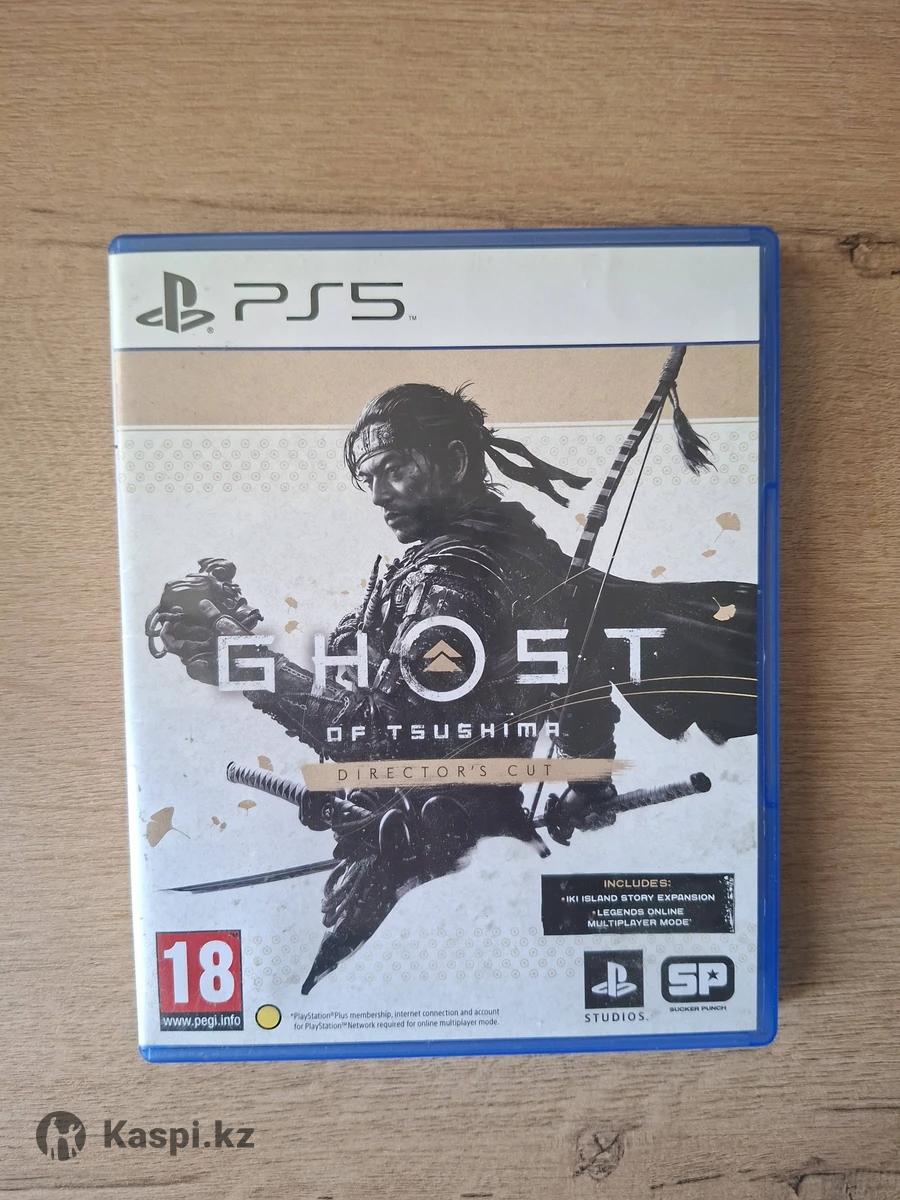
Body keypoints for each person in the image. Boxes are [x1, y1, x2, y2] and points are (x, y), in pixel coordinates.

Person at [155, 383, 624, 989]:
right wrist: (590, 781)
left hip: (426, 864)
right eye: (369, 478)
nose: (378, 496)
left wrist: (237, 661)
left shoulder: (451, 579)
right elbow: (581, 676)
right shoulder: (525, 556)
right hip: (479, 849)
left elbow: (382, 735)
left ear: (454, 460)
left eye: (396, 469)